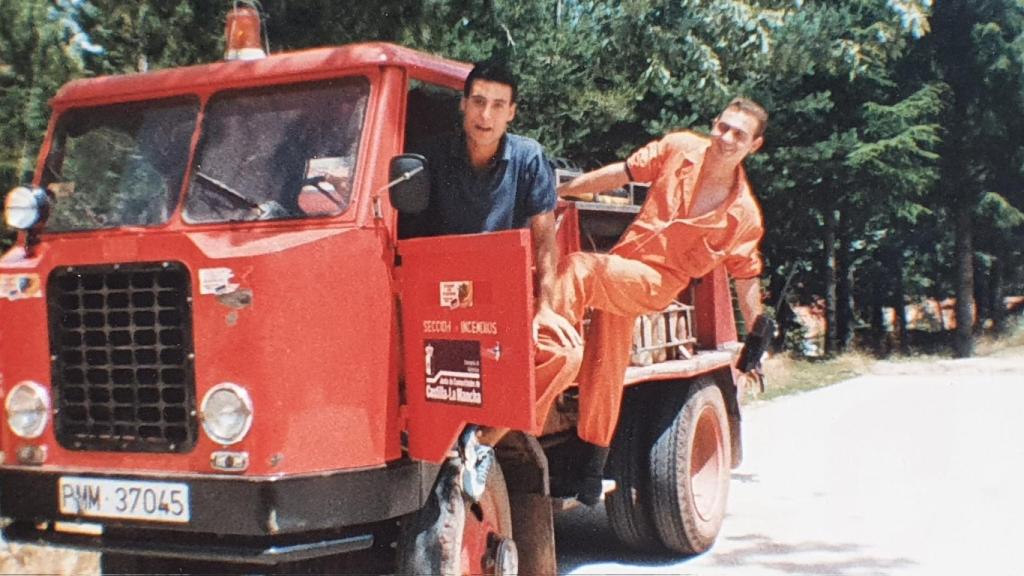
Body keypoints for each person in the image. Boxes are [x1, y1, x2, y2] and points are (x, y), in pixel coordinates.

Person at [554, 97, 769, 504]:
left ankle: (545, 358)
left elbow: (746, 279)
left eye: (739, 135)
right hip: (624, 266)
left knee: (580, 269)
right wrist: (561, 191)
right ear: (714, 123)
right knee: (606, 364)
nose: (726, 138)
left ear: (753, 146)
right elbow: (621, 173)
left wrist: (756, 343)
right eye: (723, 127)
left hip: (657, 283)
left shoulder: (743, 215)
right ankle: (591, 467)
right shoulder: (679, 148)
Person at [405, 60, 583, 502]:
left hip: (503, 298)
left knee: (564, 354)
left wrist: (544, 308)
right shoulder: (430, 156)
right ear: (463, 105)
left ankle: (482, 443)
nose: (486, 115)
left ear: (512, 113)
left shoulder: (528, 157)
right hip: (441, 298)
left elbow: (544, 239)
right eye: (479, 102)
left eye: (498, 105)